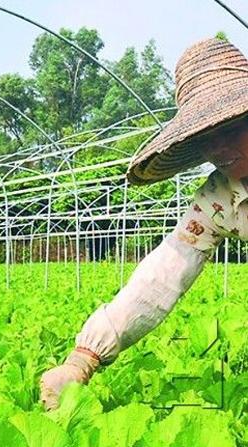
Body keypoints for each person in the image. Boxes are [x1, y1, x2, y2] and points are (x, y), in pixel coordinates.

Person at [40, 37, 248, 410]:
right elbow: (165, 272)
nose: (219, 148)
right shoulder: (220, 197)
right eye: (206, 137)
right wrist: (83, 359)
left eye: (230, 128)